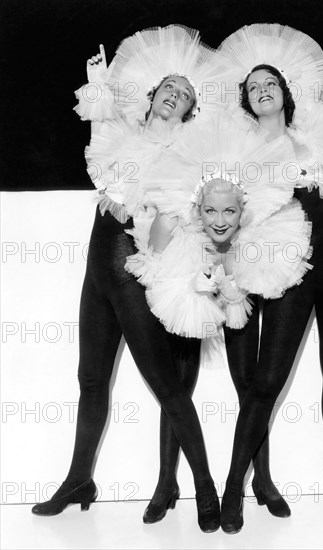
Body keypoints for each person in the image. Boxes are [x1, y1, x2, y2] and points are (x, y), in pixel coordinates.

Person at [31, 25, 223, 533]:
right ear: (154, 94)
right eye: (169, 89)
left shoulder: (186, 151)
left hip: (128, 260)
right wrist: (96, 84)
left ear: (189, 111)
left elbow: (183, 211)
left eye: (184, 96)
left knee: (166, 385)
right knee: (90, 378)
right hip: (98, 258)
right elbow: (98, 142)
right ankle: (78, 479)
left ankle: (205, 488)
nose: (174, 97)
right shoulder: (121, 132)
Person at [215, 22, 323, 533]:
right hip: (287, 265)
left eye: (270, 82)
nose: (262, 89)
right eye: (253, 87)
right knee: (268, 381)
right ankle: (235, 486)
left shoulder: (314, 132)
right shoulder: (241, 152)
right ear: (248, 102)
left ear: (285, 92)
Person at [125, 112, 313, 522]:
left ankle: (253, 483)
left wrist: (230, 290)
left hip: (235, 294)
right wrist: (189, 269)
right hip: (190, 293)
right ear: (199, 208)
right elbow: (152, 263)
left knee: (250, 383)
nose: (220, 221)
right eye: (211, 211)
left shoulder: (257, 234)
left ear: (242, 211)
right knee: (177, 386)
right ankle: (169, 484)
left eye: (229, 212)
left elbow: (244, 305)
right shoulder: (182, 224)